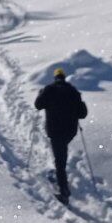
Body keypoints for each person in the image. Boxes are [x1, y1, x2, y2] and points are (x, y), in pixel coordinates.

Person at [34, 67, 88, 204]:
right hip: (70, 131)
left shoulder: (49, 89)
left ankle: (64, 191)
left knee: (60, 160)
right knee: (61, 154)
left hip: (55, 129)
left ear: (55, 78)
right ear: (64, 78)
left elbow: (38, 105)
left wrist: (41, 95)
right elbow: (82, 114)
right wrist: (79, 103)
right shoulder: (73, 91)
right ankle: (59, 176)